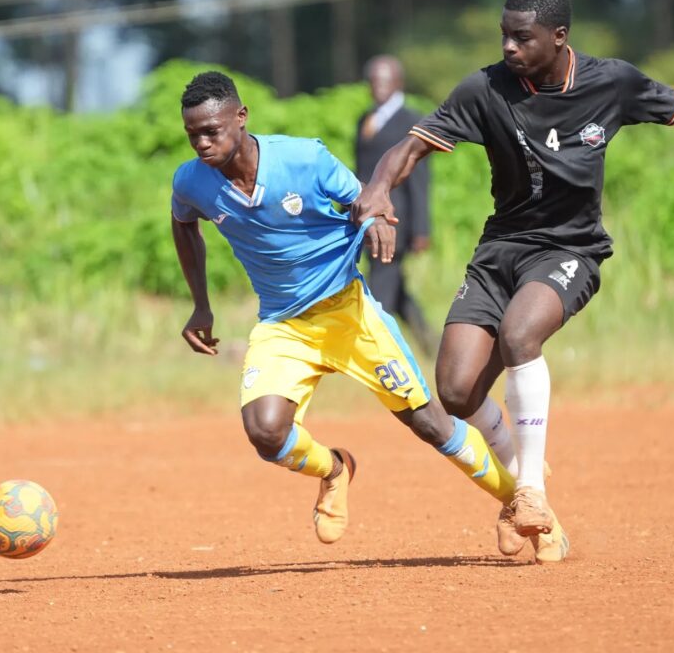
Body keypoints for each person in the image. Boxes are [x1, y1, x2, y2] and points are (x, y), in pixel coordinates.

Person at [351, 0, 674, 547]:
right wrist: (378, 187)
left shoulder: (611, 82)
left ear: (559, 37)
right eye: (504, 36)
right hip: (500, 250)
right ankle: (526, 478)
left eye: (522, 38)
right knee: (455, 391)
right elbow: (412, 146)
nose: (508, 48)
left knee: (521, 335)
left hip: (571, 249)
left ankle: (529, 494)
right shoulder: (485, 90)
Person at [170, 70, 568, 563]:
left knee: (430, 425)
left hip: (349, 312)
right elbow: (183, 223)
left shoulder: (302, 158)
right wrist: (201, 303)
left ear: (241, 116)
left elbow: (364, 196)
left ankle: (523, 504)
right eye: (193, 135)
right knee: (265, 432)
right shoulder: (192, 181)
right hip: (284, 325)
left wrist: (377, 219)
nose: (202, 143)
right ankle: (335, 469)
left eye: (212, 130)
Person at [355, 55, 435, 355]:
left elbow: (420, 178)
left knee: (380, 290)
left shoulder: (411, 120)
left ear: (398, 83)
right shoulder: (365, 119)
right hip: (364, 218)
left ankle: (379, 355)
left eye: (385, 80)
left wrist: (421, 229)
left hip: (395, 219)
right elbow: (358, 170)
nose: (378, 87)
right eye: (374, 81)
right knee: (396, 291)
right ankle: (431, 345)